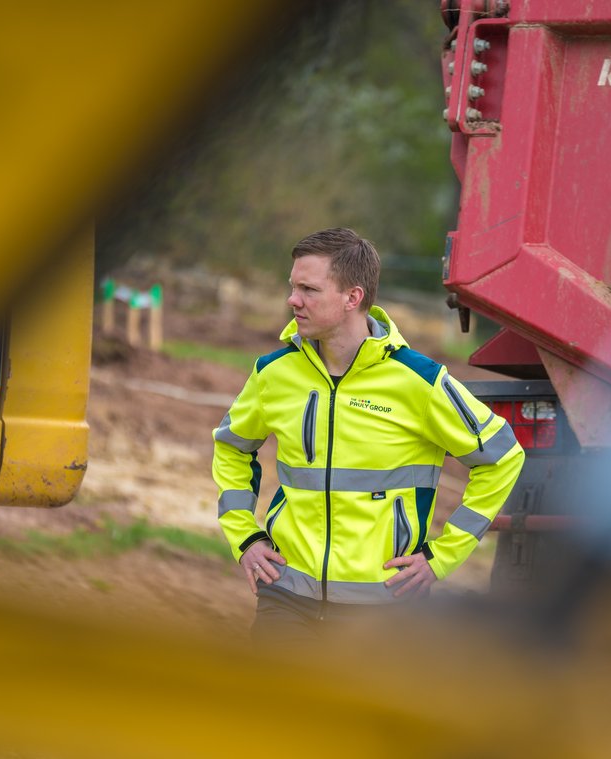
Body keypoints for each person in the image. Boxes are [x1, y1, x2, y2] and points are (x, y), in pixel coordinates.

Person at [212, 227, 524, 646]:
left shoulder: (419, 381)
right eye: (293, 287)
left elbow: (502, 457)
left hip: (384, 609)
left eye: (308, 289)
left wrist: (441, 557)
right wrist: (245, 538)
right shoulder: (273, 373)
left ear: (352, 297)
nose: (292, 300)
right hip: (286, 594)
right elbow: (232, 447)